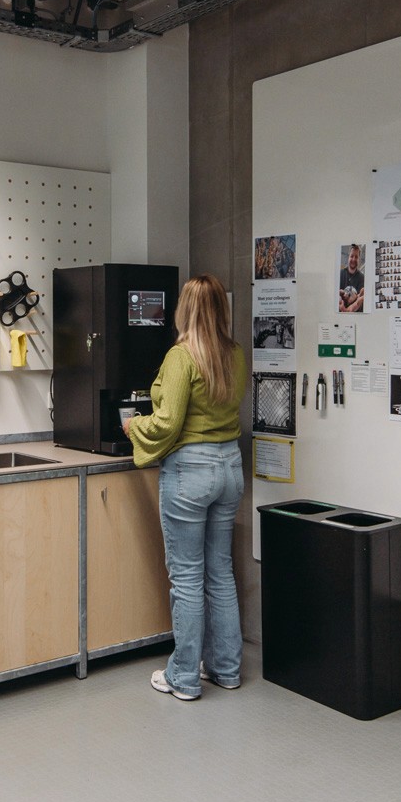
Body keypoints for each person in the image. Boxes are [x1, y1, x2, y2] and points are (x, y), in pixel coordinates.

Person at [124, 275, 247, 700]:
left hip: (191, 472)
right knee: (220, 573)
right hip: (230, 468)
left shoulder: (182, 357)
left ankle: (184, 677)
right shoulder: (235, 355)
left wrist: (131, 425)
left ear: (186, 309)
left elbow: (167, 423)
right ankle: (227, 669)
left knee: (188, 579)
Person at [338, 244, 365, 313]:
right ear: (348, 257)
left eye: (356, 257)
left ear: (359, 259)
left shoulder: (362, 278)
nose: (353, 259)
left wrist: (353, 308)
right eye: (351, 256)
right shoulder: (340, 274)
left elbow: (360, 303)